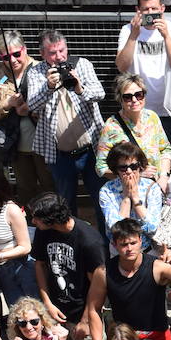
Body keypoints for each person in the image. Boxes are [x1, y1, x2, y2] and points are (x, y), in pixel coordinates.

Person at [25, 29, 107, 214]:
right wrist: (49, 87)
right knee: (66, 204)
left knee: (101, 199)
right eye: (53, 53)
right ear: (42, 53)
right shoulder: (36, 73)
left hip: (91, 150)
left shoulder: (82, 64)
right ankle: (72, 241)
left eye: (62, 50)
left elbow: (100, 93)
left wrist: (80, 88)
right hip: (59, 155)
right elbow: (32, 105)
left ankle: (104, 242)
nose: (59, 57)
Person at [27, 191, 108, 340]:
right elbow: (40, 264)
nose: (33, 221)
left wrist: (86, 320)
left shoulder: (90, 241)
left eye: (36, 218)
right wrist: (47, 303)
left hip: (82, 314)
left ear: (51, 219)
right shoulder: (44, 231)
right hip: (54, 312)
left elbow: (98, 287)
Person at [115, 0, 171, 150]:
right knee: (145, 164)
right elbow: (121, 66)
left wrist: (166, 36)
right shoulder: (127, 30)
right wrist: (133, 36)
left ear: (162, 8)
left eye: (154, 9)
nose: (150, 13)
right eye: (145, 9)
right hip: (139, 110)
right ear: (138, 11)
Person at [0, 30, 48, 201]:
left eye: (16, 54)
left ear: (24, 49)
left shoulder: (41, 69)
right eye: (6, 57)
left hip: (45, 144)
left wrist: (32, 109)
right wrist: (8, 103)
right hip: (17, 146)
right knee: (26, 191)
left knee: (50, 187)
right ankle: (31, 226)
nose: (12, 60)